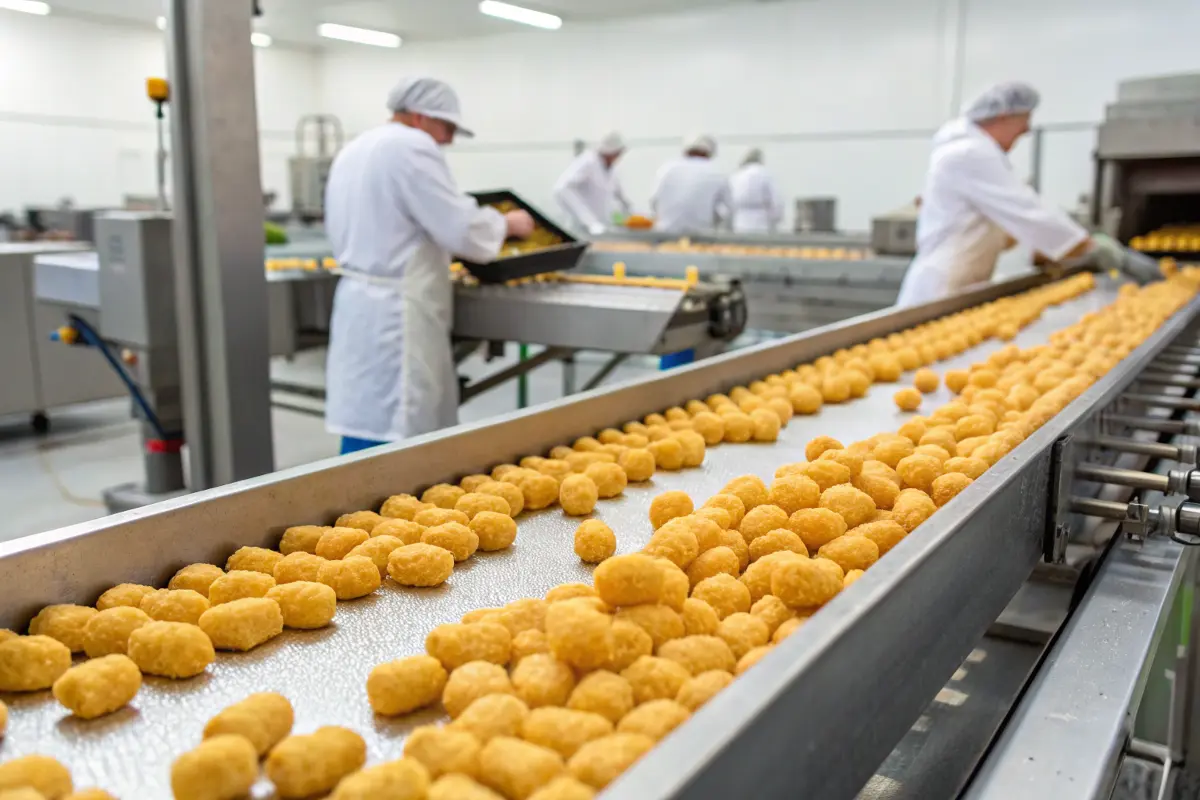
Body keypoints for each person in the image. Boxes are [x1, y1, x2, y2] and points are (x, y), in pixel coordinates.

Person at [323, 76, 534, 455]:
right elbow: (459, 227)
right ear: (420, 117)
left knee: (366, 420)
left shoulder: (357, 147)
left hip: (359, 303)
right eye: (447, 126)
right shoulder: (411, 147)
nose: (449, 139)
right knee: (400, 424)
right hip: (397, 313)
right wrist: (507, 224)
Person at [896, 81, 1158, 307]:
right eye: (1023, 122)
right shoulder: (970, 154)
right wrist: (1092, 247)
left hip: (960, 282)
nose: (1026, 130)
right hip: (941, 286)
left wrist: (1043, 247)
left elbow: (1006, 223)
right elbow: (1028, 212)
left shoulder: (973, 153)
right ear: (1003, 116)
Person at [650, 134, 732, 234]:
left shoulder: (667, 169)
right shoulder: (717, 173)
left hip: (666, 236)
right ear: (710, 152)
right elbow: (729, 209)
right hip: (702, 239)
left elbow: (654, 202)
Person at [553, 132, 631, 235]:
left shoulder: (612, 170)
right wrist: (590, 222)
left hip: (603, 231)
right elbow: (562, 189)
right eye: (617, 153)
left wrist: (627, 218)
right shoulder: (588, 162)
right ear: (611, 152)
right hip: (581, 231)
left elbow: (618, 200)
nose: (618, 157)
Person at [730, 148, 785, 234]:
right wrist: (776, 219)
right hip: (761, 223)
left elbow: (728, 203)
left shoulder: (736, 176)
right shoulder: (766, 174)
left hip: (739, 223)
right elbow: (776, 201)